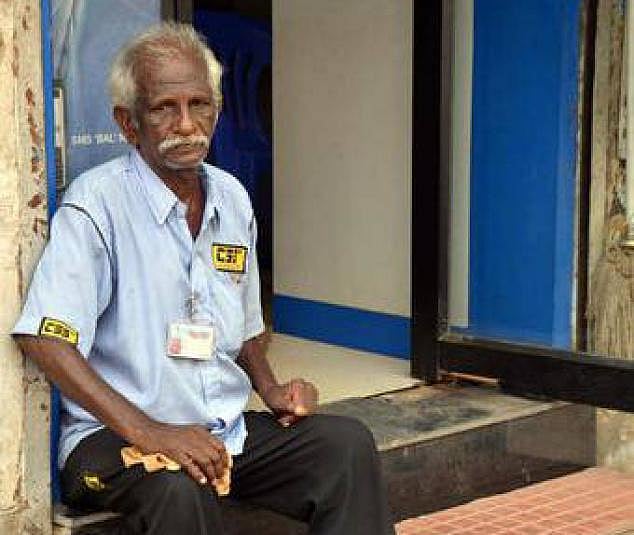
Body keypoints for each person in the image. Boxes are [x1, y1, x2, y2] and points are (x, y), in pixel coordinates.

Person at [13, 22, 395, 535]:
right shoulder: (97, 205)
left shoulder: (231, 198)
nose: (186, 124)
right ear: (128, 124)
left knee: (345, 447)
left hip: (220, 434)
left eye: (200, 105)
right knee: (178, 486)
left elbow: (246, 326)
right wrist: (151, 432)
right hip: (112, 442)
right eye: (164, 108)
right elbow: (45, 338)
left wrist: (271, 388)